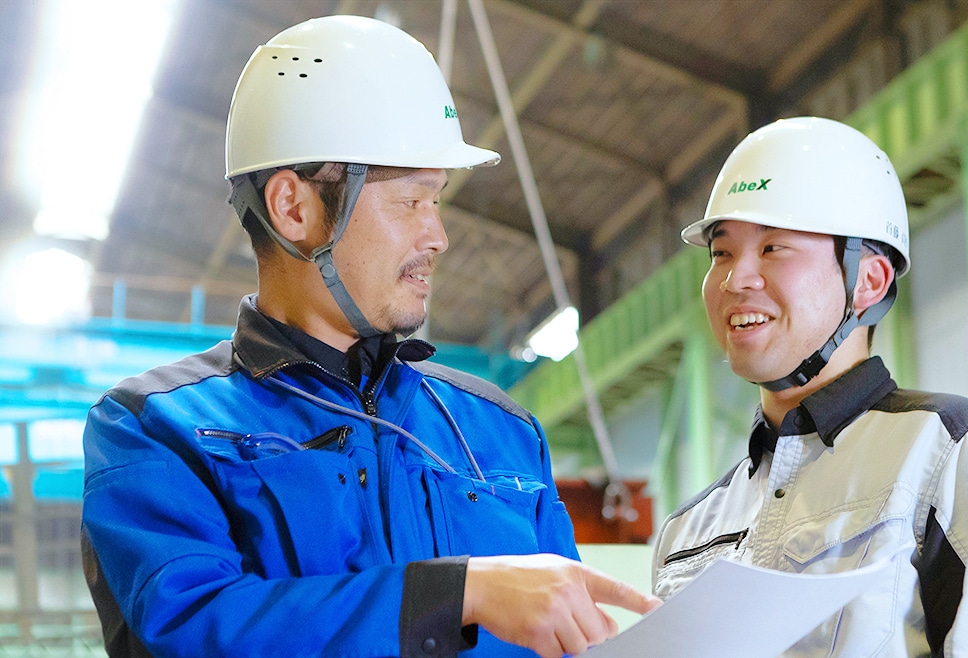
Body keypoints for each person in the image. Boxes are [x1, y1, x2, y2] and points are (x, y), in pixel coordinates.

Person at [80, 15, 657, 658]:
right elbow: (191, 628)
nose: (437, 236)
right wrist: (450, 595)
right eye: (410, 201)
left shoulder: (501, 432)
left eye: (437, 200)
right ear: (294, 209)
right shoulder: (157, 426)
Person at [651, 116, 968, 655]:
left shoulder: (949, 453)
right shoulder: (688, 529)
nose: (737, 280)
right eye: (721, 253)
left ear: (867, 281)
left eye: (774, 248)